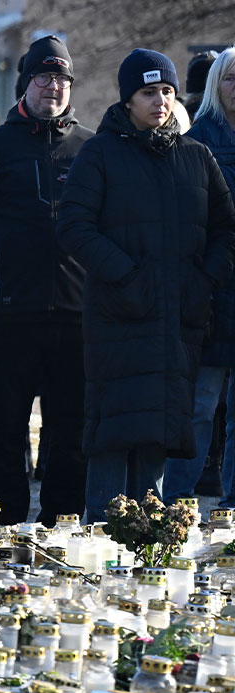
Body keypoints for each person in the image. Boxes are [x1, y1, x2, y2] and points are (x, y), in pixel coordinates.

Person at [59, 49, 235, 519]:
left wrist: (203, 282)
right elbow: (74, 225)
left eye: (167, 91)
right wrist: (128, 276)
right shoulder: (100, 152)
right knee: (114, 438)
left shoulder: (196, 157)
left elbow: (226, 230)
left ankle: (147, 552)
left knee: (157, 436)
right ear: (127, 98)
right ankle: (101, 546)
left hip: (178, 323)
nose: (159, 101)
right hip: (119, 320)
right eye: (148, 91)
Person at [0, 35, 92, 524]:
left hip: (76, 315)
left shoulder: (92, 148)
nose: (54, 86)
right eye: (44, 76)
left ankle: (59, 534)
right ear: (25, 83)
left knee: (69, 435)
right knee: (3, 433)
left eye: (62, 77)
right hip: (7, 314)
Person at [177, 49, 235, 507]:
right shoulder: (197, 144)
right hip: (213, 292)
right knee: (198, 408)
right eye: (232, 78)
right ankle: (175, 504)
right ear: (216, 83)